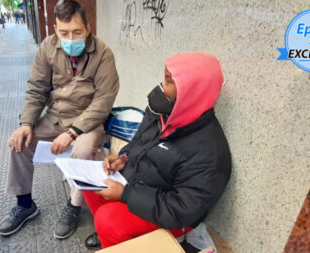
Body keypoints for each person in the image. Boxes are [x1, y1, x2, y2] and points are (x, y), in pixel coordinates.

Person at [82, 52, 232, 250]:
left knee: (108, 219)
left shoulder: (209, 152)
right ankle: (112, 236)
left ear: (191, 91)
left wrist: (126, 195)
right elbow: (138, 142)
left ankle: (114, 232)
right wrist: (124, 158)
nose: (161, 87)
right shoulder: (161, 112)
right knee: (89, 183)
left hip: (172, 216)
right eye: (164, 77)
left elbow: (182, 211)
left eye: (168, 81)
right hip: (141, 187)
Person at [0, 0, 119, 239]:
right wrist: (27, 124)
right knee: (20, 143)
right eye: (64, 33)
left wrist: (73, 132)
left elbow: (103, 101)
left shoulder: (103, 54)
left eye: (77, 32)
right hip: (55, 116)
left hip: (88, 121)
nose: (71, 38)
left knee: (83, 152)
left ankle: (73, 207)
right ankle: (24, 205)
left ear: (88, 27)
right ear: (55, 29)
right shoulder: (48, 47)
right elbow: (37, 88)